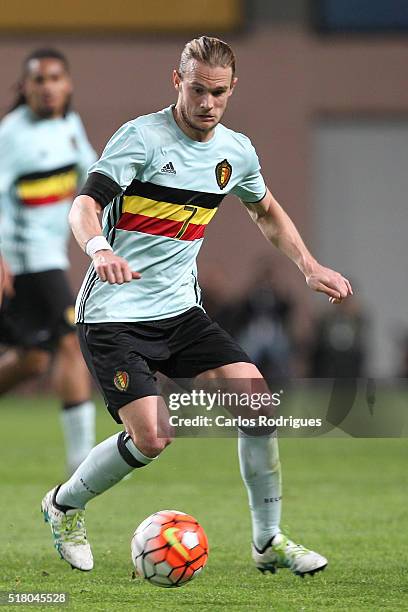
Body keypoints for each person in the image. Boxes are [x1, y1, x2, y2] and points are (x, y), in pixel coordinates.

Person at [41, 37, 352, 575]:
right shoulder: (140, 138)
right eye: (197, 90)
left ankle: (268, 540)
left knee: (257, 405)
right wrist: (100, 248)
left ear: (233, 89)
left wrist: (309, 266)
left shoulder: (236, 151)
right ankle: (64, 504)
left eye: (218, 93)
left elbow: (267, 210)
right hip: (114, 314)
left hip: (180, 312)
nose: (207, 103)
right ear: (175, 82)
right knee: (154, 437)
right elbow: (83, 205)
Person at [0, 49, 97, 474]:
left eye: (55, 77)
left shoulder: (69, 126)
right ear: (25, 88)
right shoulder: (12, 134)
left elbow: (91, 177)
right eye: (39, 80)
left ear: (69, 83)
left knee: (34, 359)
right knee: (69, 339)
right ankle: (84, 463)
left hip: (47, 257)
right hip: (20, 258)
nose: (48, 87)